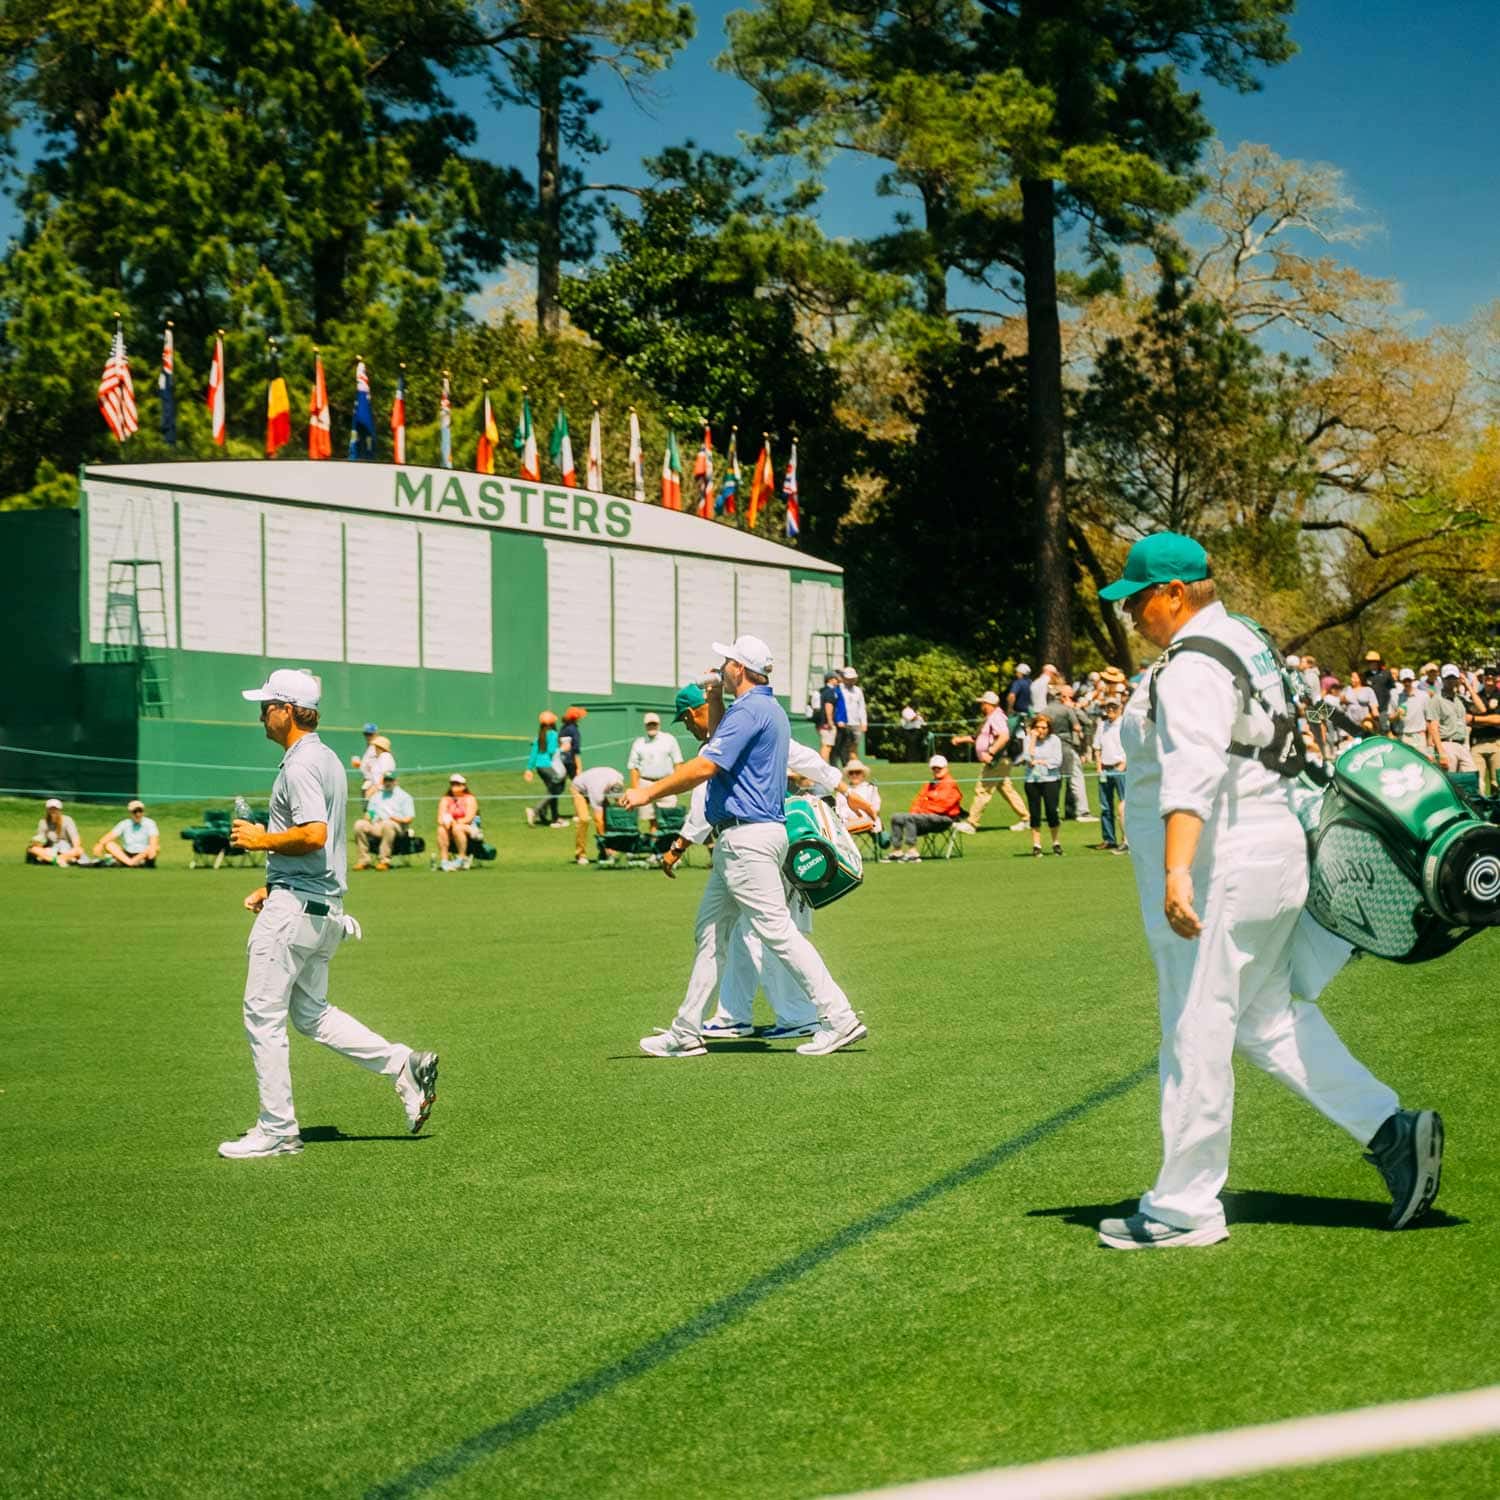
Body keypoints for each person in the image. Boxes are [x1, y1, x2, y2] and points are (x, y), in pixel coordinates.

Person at [1092, 532, 1440, 1250]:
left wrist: (1178, 872)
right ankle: (1390, 1130)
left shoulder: (1190, 666)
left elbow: (1194, 770)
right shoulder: (1246, 640)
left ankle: (1183, 1208)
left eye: (1137, 601)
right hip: (1271, 849)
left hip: (1225, 861)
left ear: (1174, 594)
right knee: (1265, 1019)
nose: (1130, 616)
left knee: (1196, 1027)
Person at [220, 667, 438, 1159]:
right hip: (321, 910)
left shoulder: (299, 765)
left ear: (289, 711)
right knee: (311, 1014)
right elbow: (322, 844)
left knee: (263, 1015)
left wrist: (260, 841)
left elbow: (314, 834)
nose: (261, 715)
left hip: (296, 912)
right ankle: (403, 1064)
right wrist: (272, 883)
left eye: (267, 706)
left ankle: (277, 1129)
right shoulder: (330, 760)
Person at [622, 635, 865, 1057]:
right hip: (746, 837)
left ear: (740, 668)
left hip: (746, 839)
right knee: (711, 932)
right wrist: (715, 697)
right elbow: (720, 740)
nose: (721, 667)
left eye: (727, 662)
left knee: (777, 933)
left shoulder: (750, 710)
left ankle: (840, 1018)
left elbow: (707, 763)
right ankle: (686, 1030)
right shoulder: (761, 709)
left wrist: (649, 792)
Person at [658, 681, 839, 1043]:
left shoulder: (735, 734)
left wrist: (679, 844)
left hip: (756, 843)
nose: (689, 727)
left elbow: (701, 802)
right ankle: (732, 1015)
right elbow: (806, 759)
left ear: (698, 712)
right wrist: (838, 783)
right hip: (767, 841)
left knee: (769, 932)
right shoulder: (749, 729)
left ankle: (800, 1014)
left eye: (687, 720)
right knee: (739, 934)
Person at [950, 690, 1027, 832]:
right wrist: (961, 740)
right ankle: (1026, 818)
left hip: (997, 760)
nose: (981, 707)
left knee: (983, 789)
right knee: (1007, 790)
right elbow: (978, 738)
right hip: (1001, 760)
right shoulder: (990, 718)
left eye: (983, 704)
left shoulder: (996, 717)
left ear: (988, 704)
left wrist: (990, 752)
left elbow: (1004, 736)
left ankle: (972, 823)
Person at [888, 755, 963, 862]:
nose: (937, 770)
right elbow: (918, 801)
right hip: (926, 817)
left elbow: (942, 807)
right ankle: (897, 850)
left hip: (944, 819)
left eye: (939, 768)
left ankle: (912, 851)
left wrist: (921, 810)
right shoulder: (929, 784)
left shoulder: (950, 784)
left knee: (911, 818)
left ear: (946, 768)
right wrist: (916, 811)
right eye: (934, 768)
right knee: (896, 817)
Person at [627, 712, 684, 828]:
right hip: (645, 783)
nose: (652, 727)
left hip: (666, 782)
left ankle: (667, 842)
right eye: (649, 724)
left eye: (654, 724)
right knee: (651, 819)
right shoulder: (639, 743)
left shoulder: (669, 739)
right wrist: (635, 789)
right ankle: (655, 842)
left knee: (669, 816)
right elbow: (633, 767)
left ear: (659, 724)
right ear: (645, 725)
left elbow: (678, 762)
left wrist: (677, 784)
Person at [354, 770, 415, 871]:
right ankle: (364, 861)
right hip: (377, 825)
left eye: (390, 780)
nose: (388, 783)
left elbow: (409, 818)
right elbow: (371, 812)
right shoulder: (377, 796)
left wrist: (396, 819)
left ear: (395, 781)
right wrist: (368, 817)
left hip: (397, 826)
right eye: (386, 780)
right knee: (359, 824)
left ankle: (384, 861)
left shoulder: (404, 797)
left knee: (388, 824)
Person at [1022, 714, 1064, 856]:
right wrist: (1032, 739)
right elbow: (1028, 757)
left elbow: (1057, 760)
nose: (1041, 730)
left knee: (1052, 811)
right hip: (1032, 780)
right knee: (1035, 813)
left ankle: (1056, 842)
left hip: (1051, 779)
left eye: (1044, 728)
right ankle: (1036, 845)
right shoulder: (1028, 740)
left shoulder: (1054, 740)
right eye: (1038, 727)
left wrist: (1043, 763)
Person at [1093, 700, 1128, 853]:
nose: (1110, 711)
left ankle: (1126, 839)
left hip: (1120, 767)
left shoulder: (1124, 725)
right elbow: (1097, 748)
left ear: (1120, 709)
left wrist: (1124, 764)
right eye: (1108, 708)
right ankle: (1109, 839)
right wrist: (1099, 766)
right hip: (1105, 769)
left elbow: (1130, 747)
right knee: (1105, 806)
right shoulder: (1102, 725)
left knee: (1124, 804)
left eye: (1114, 708)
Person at [571, 765, 625, 866]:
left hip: (598, 784)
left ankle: (603, 853)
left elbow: (619, 801)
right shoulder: (597, 790)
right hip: (579, 789)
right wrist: (607, 846)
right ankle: (580, 855)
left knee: (608, 817)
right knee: (584, 819)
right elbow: (598, 821)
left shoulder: (619, 778)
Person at [1426, 664, 1476, 773]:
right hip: (1447, 745)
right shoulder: (1436, 700)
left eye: (1453, 677)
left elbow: (1481, 709)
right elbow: (1433, 727)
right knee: (1451, 782)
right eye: (1447, 678)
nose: (1451, 681)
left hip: (1463, 745)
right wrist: (1441, 751)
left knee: (1473, 780)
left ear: (1458, 679)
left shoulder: (1461, 699)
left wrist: (1468, 686)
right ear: (1442, 679)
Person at [523, 711, 567, 826]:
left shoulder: (539, 736)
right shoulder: (553, 734)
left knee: (552, 790)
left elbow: (534, 753)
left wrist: (529, 768)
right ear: (553, 723)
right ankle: (535, 811)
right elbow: (552, 750)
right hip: (549, 765)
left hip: (540, 767)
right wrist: (562, 748)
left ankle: (552, 817)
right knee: (556, 789)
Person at [94, 799, 160, 867]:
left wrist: (151, 852)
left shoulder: (150, 823)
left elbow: (153, 841)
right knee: (109, 844)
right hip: (127, 854)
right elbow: (111, 835)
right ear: (130, 812)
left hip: (143, 854)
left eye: (140, 811)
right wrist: (100, 844)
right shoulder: (124, 823)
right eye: (135, 812)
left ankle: (129, 863)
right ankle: (131, 863)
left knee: (155, 847)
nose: (138, 814)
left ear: (143, 812)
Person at [437, 773, 479, 870]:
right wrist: (446, 822)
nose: (455, 787)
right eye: (453, 784)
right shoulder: (445, 799)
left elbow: (469, 818)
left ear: (464, 786)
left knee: (457, 828)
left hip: (470, 828)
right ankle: (444, 860)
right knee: (441, 830)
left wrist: (455, 823)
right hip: (450, 826)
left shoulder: (470, 799)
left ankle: (461, 858)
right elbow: (440, 817)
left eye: (457, 784)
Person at [27, 798, 84, 865]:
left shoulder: (68, 820)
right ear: (47, 810)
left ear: (59, 810)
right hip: (52, 850)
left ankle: (55, 860)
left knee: (79, 850)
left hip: (67, 850)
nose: (53, 811)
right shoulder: (43, 822)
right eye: (50, 809)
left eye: (55, 809)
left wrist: (75, 848)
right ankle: (61, 860)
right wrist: (37, 843)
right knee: (33, 849)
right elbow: (41, 840)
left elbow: (75, 838)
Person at [837, 758, 882, 836]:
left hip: (868, 821)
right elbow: (839, 810)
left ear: (863, 774)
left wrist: (862, 819)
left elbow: (876, 808)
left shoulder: (870, 788)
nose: (854, 775)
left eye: (857, 772)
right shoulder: (842, 791)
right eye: (851, 773)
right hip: (847, 823)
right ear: (848, 775)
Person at [835, 667, 867, 764]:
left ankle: (853, 765)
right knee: (841, 746)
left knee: (854, 746)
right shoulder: (838, 689)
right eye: (849, 679)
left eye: (853, 679)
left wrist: (864, 722)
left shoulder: (858, 691)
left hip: (855, 723)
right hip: (843, 723)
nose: (851, 681)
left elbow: (862, 707)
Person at [353, 731, 395, 798]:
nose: (374, 749)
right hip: (377, 789)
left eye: (376, 747)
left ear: (380, 747)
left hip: (381, 791)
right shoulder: (381, 757)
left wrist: (376, 788)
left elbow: (386, 774)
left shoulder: (385, 756)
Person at [817, 671, 841, 762]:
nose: (837, 681)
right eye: (835, 679)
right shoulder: (830, 692)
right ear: (830, 680)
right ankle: (823, 766)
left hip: (821, 722)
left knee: (826, 745)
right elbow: (828, 706)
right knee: (827, 746)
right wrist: (830, 721)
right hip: (827, 723)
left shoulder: (822, 690)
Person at [559, 706, 586, 782]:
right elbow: (576, 749)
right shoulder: (573, 730)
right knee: (578, 783)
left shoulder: (563, 728)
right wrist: (579, 768)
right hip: (570, 760)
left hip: (561, 758)